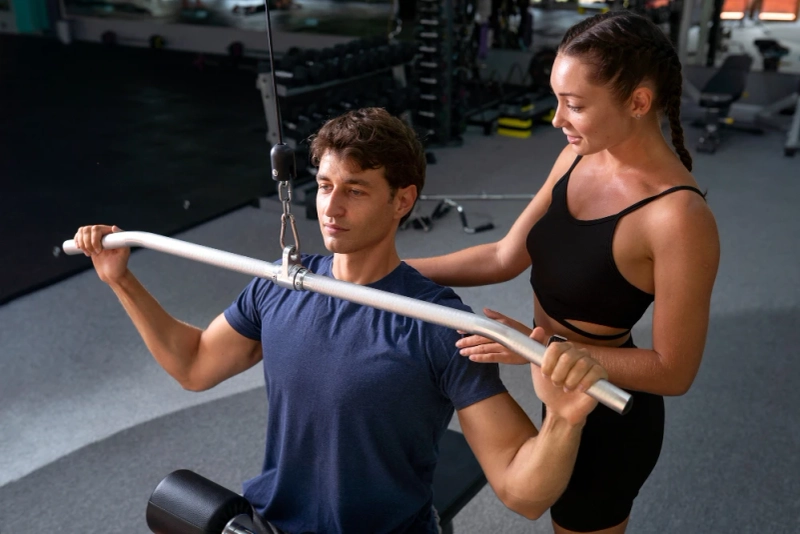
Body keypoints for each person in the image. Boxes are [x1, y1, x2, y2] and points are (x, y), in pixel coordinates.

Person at [73, 108, 611, 534]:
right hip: (270, 524)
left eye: (355, 190)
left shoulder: (438, 325)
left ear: (403, 200)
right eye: (326, 186)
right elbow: (193, 366)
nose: (331, 208)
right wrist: (121, 279)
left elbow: (524, 494)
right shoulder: (280, 285)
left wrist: (564, 421)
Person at [406, 11, 721, 534]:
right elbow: (506, 255)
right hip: (555, 379)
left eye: (573, 105)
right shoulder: (578, 156)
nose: (556, 120)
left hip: (608, 411)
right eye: (557, 99)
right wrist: (388, 270)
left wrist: (533, 348)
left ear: (638, 102)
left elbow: (674, 370)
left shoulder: (678, 218)